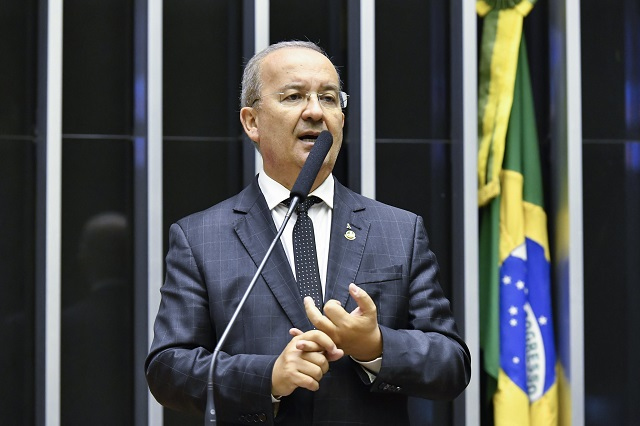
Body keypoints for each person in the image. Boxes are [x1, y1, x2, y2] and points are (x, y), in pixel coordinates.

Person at [145, 40, 471, 425]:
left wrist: (376, 346)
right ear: (252, 122)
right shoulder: (201, 237)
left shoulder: (399, 230)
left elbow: (452, 364)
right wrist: (269, 377)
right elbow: (168, 370)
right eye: (294, 96)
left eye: (329, 99)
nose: (315, 112)